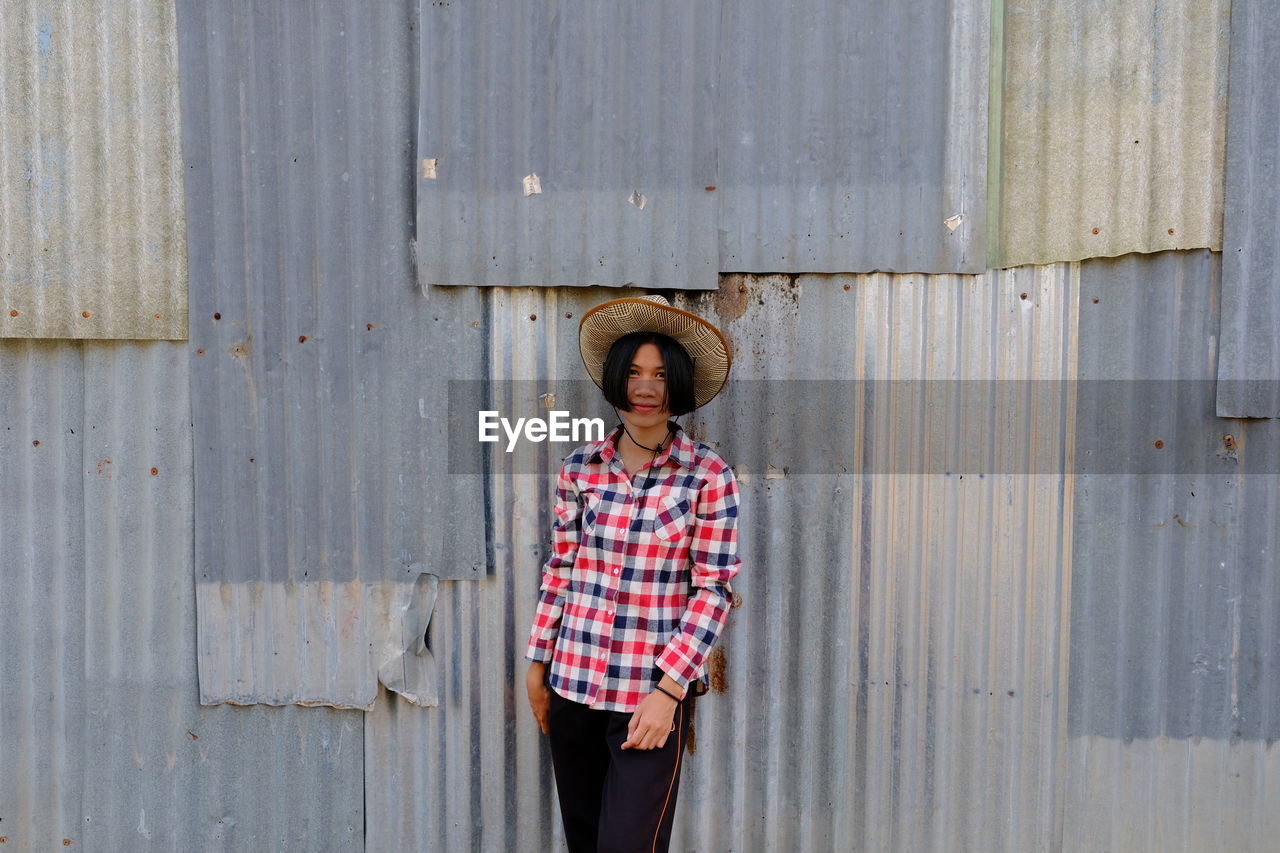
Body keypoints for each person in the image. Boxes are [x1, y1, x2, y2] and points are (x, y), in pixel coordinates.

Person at [523, 294, 743, 853]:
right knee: (585, 840)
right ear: (617, 378)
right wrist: (537, 660)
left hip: (647, 696)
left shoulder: (707, 474)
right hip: (571, 684)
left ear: (679, 385)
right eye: (635, 372)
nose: (646, 388)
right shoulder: (580, 469)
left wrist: (669, 692)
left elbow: (713, 589)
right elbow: (561, 567)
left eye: (662, 375)